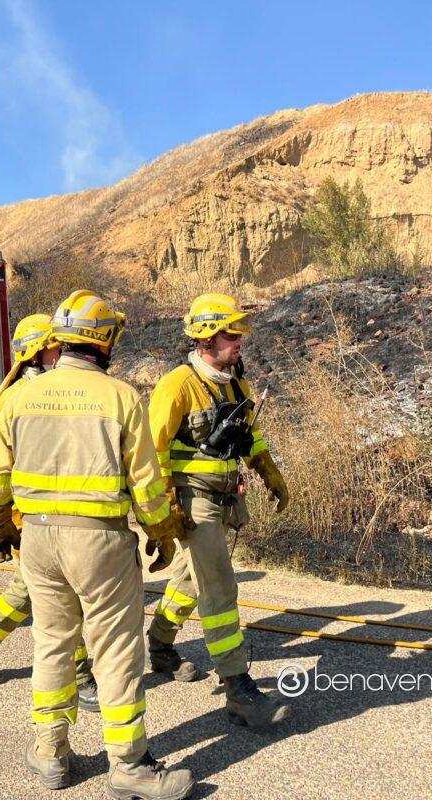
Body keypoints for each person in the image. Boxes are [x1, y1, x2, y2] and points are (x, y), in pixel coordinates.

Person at [0, 291, 194, 799]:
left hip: (38, 539)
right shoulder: (120, 397)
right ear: (104, 340)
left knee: (52, 643)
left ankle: (51, 754)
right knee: (115, 648)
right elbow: (146, 484)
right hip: (98, 541)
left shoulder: (21, 397)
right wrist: (161, 533)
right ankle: (130, 765)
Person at [147, 293, 291, 728]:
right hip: (192, 500)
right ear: (207, 337)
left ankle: (159, 644)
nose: (240, 340)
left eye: (240, 332)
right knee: (220, 588)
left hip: (225, 497)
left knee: (192, 578)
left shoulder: (235, 384)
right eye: (232, 333)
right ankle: (237, 687)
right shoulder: (178, 384)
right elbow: (152, 450)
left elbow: (251, 436)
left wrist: (269, 471)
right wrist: (165, 510)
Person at [0, 314, 100, 711]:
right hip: (29, 515)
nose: (63, 353)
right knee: (62, 594)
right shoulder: (19, 399)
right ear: (37, 352)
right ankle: (80, 677)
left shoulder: (49, 390)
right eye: (56, 347)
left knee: (32, 589)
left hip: (51, 512)